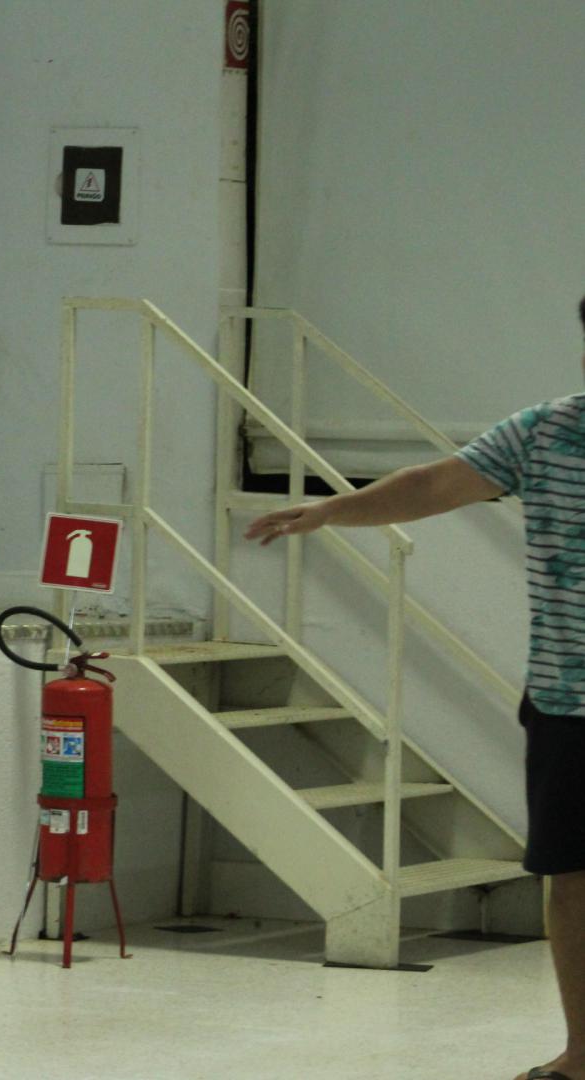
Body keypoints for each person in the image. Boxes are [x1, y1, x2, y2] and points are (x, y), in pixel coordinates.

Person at [244, 294, 585, 1080]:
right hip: (567, 702)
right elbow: (433, 486)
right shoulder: (547, 432)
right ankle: (582, 1055)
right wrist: (332, 511)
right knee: (573, 879)